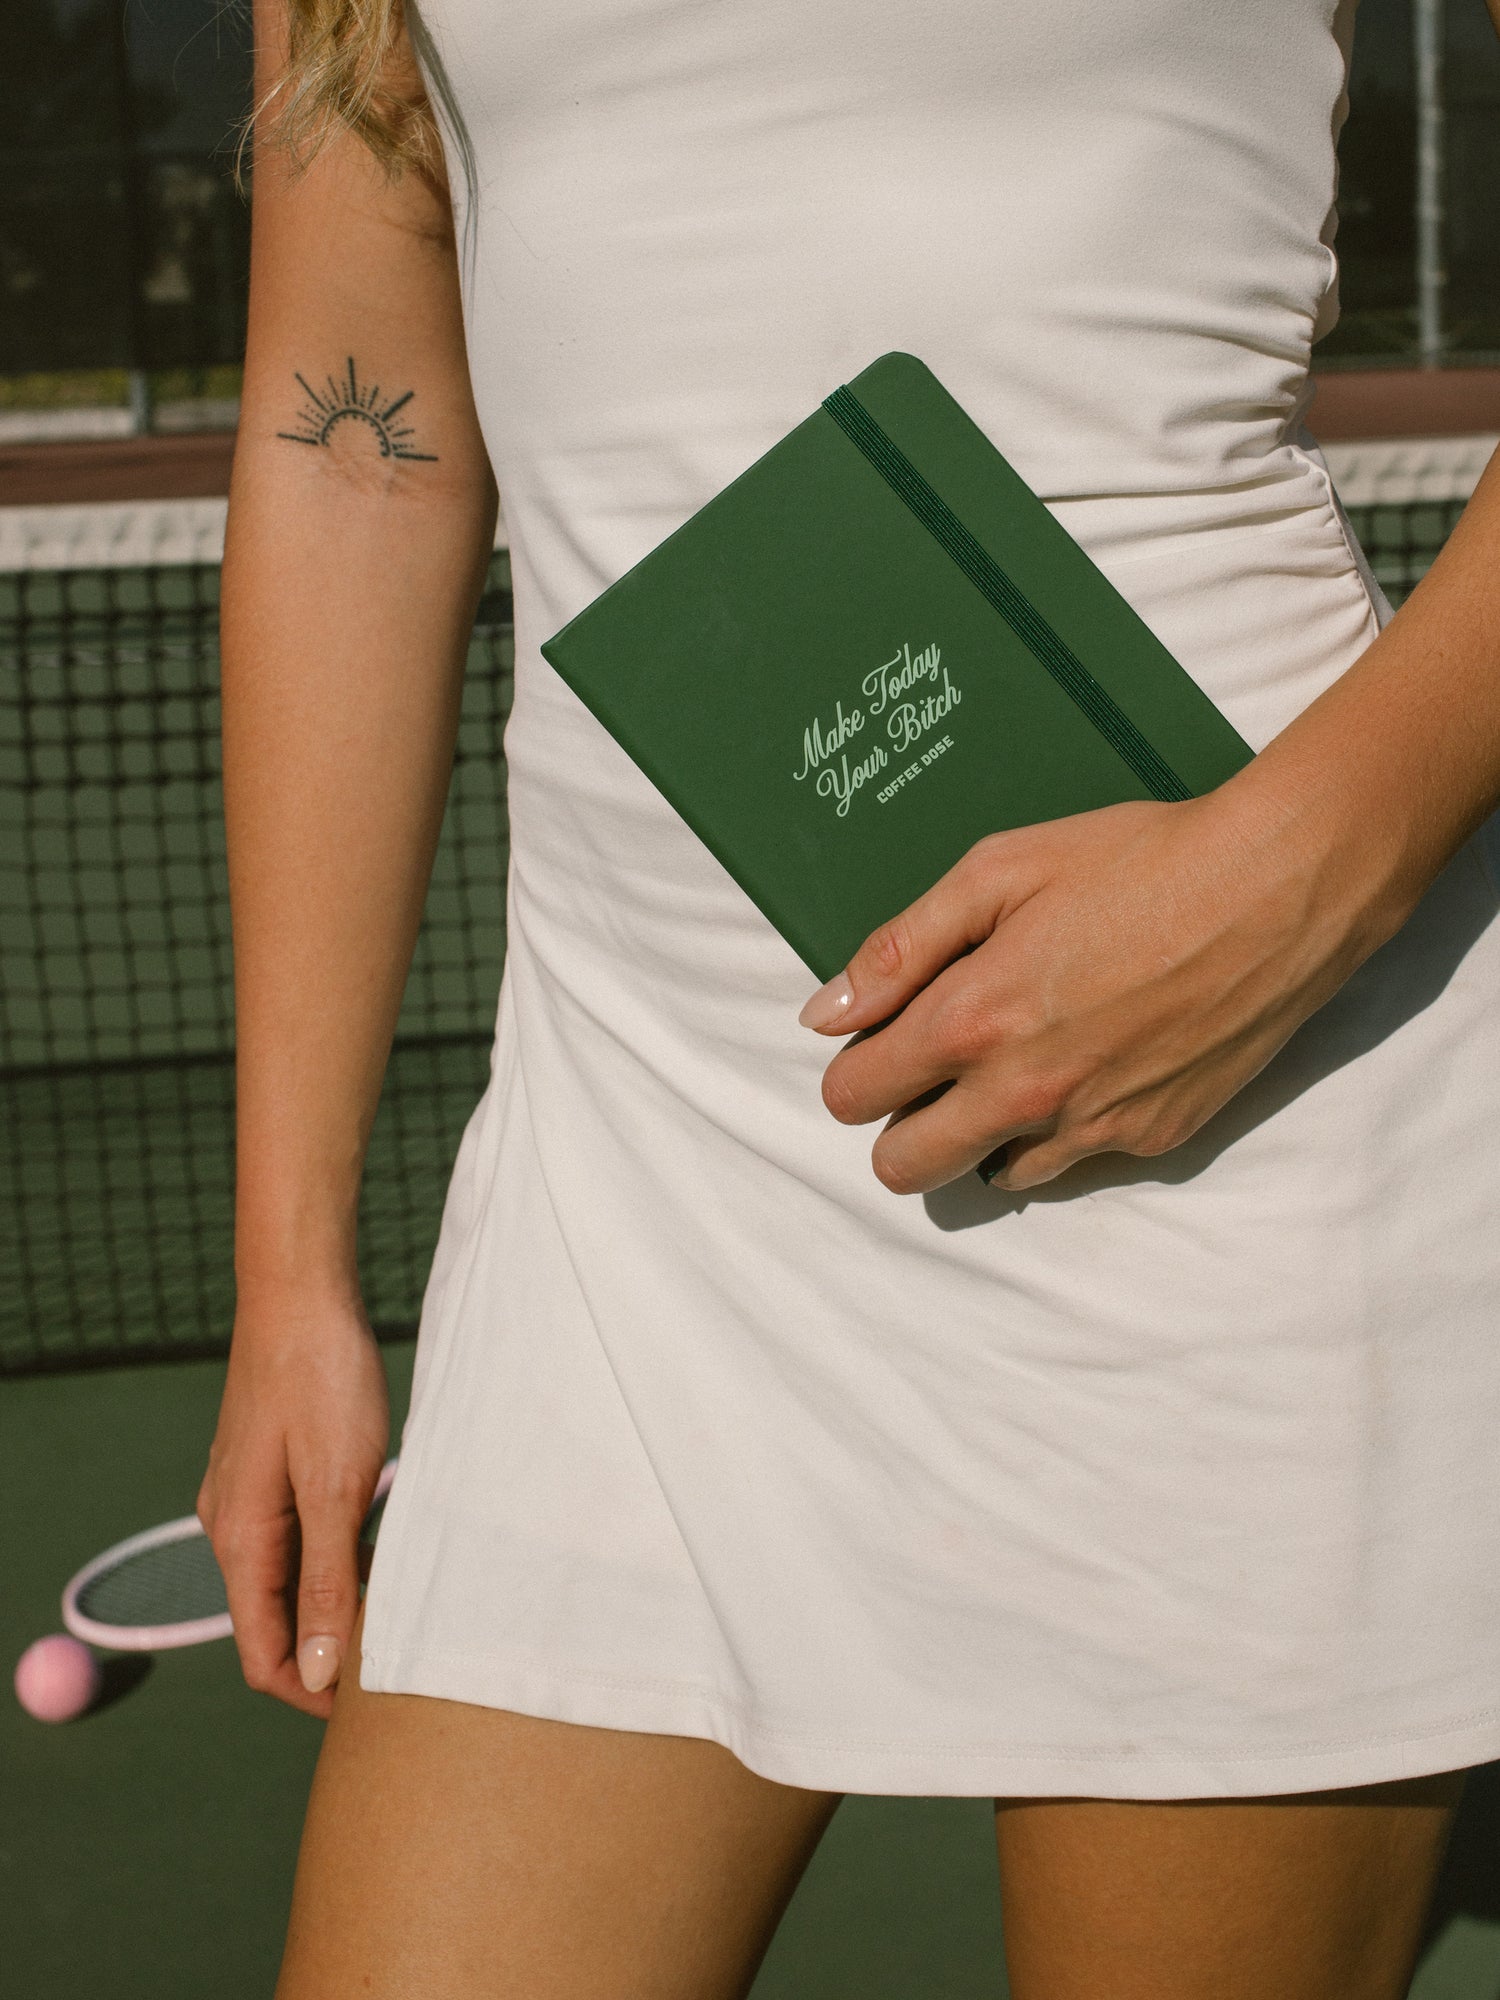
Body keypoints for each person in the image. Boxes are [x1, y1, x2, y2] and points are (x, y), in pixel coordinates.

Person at [197, 0, 1500, 1990]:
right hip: (626, 1188)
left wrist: (1307, 869)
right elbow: (352, 442)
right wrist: (288, 1267)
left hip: (1231, 1112)